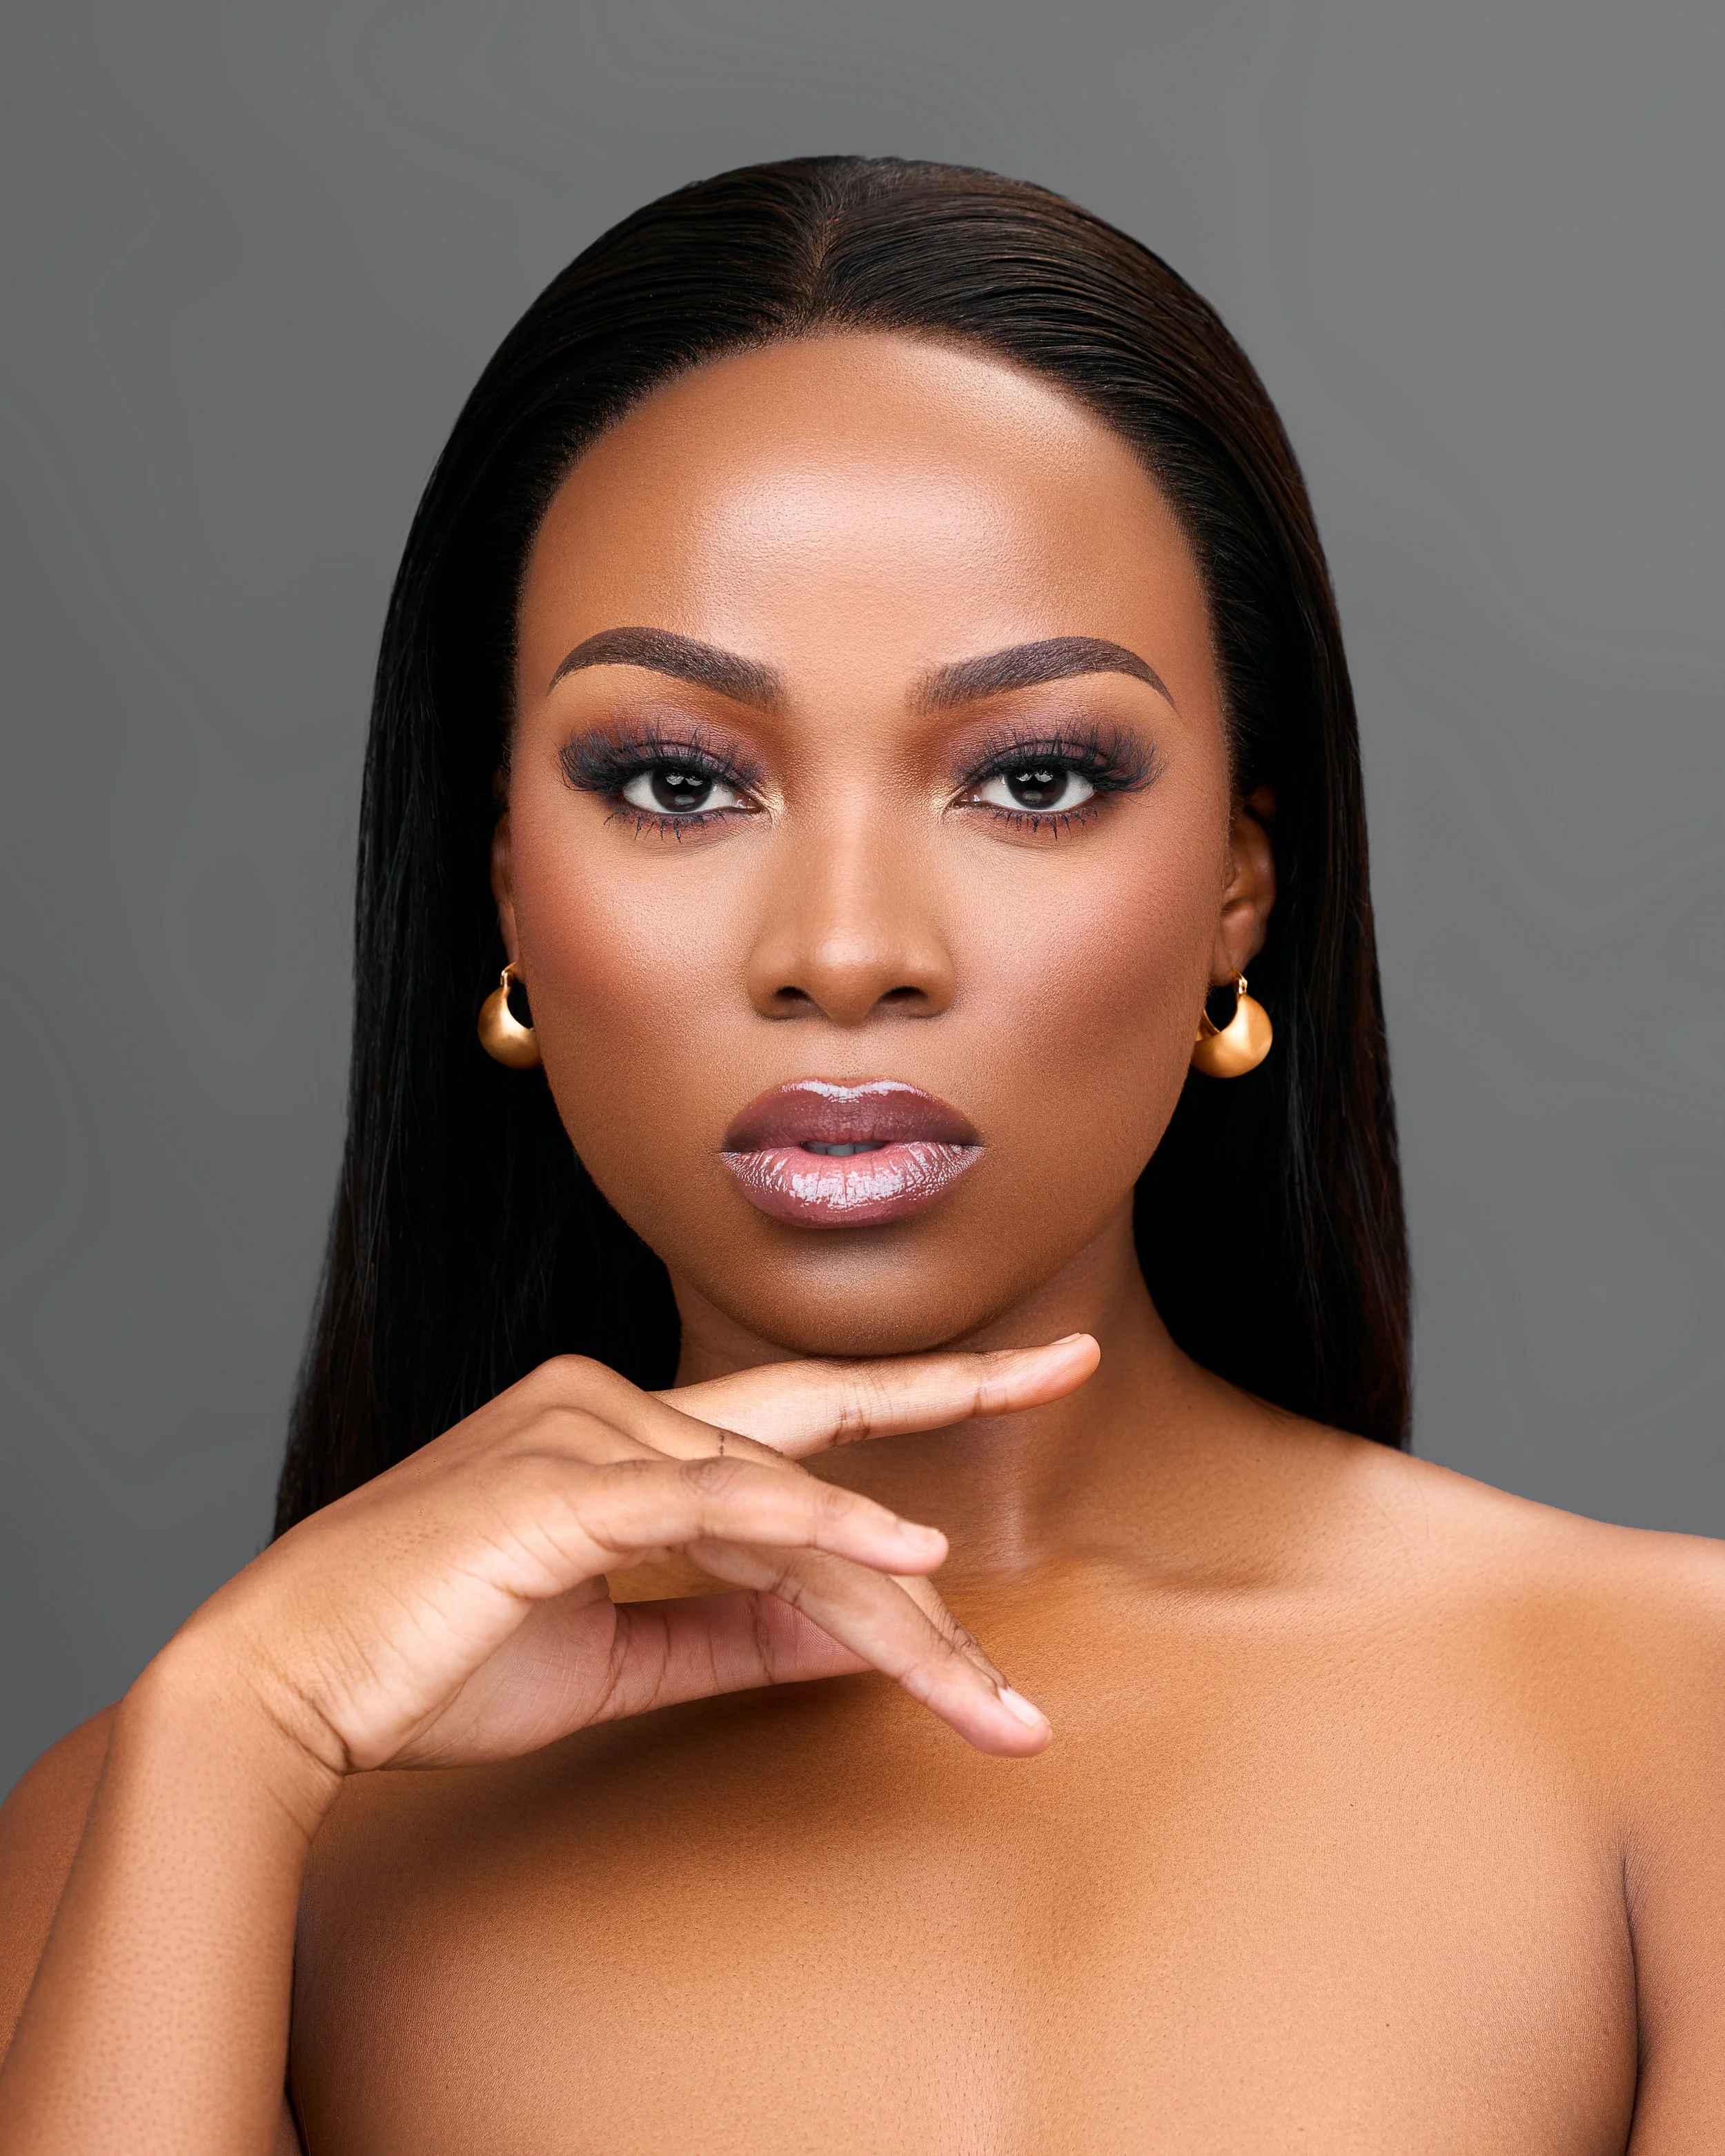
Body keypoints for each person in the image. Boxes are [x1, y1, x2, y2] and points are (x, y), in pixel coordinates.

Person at [0, 155, 1719, 2154]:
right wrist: (230, 1738)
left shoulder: (1670, 1734)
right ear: (498, 885)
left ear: (1241, 882)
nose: (842, 952)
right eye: (674, 780)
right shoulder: (184, 1815)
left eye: (1033, 777)